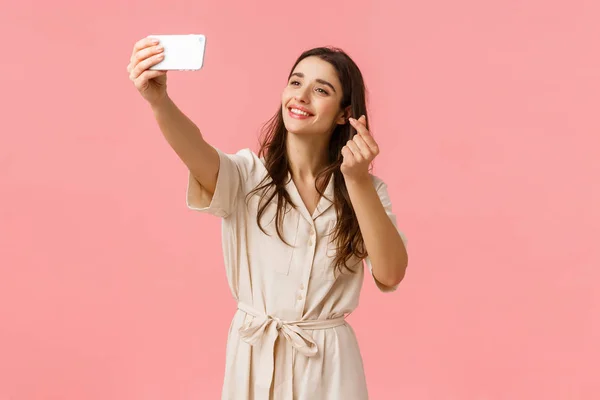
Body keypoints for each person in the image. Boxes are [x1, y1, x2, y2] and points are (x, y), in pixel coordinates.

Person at [127, 36, 409, 400]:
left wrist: (356, 181)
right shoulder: (246, 176)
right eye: (295, 82)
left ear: (344, 113)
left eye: (320, 90)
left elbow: (390, 272)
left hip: (331, 369)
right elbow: (194, 148)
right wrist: (159, 101)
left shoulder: (366, 189)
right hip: (255, 361)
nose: (301, 96)